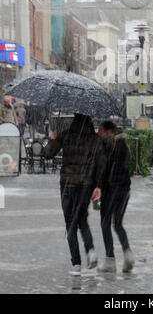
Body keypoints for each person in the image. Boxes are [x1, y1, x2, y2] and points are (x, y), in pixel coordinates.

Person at [45, 114, 106, 276]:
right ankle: (90, 250)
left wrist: (53, 138)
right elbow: (102, 165)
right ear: (89, 122)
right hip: (85, 186)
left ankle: (76, 264)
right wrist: (98, 186)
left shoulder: (65, 135)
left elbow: (48, 154)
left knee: (70, 223)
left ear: (74, 121)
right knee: (82, 220)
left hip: (67, 185)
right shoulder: (95, 140)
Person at [98, 121, 134, 273]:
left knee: (105, 224)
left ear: (107, 131)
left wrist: (99, 187)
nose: (99, 133)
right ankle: (128, 254)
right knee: (118, 223)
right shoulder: (124, 145)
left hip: (111, 189)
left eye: (100, 130)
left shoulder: (109, 146)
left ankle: (110, 260)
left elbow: (105, 170)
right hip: (124, 188)